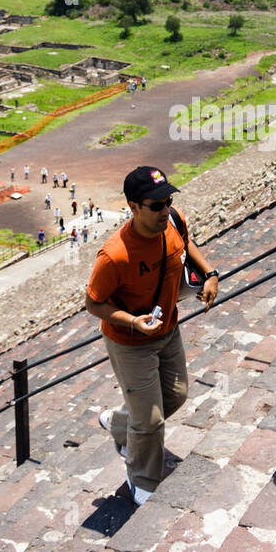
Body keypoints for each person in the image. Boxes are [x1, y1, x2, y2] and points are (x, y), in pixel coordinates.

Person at [86, 167, 218, 506]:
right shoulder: (114, 255)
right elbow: (93, 303)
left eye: (168, 201)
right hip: (130, 342)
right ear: (133, 207)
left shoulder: (172, 221)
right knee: (150, 419)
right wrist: (131, 321)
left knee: (176, 396)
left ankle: (120, 424)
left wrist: (210, 273)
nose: (165, 210)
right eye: (156, 205)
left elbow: (185, 244)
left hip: (168, 329)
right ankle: (142, 480)